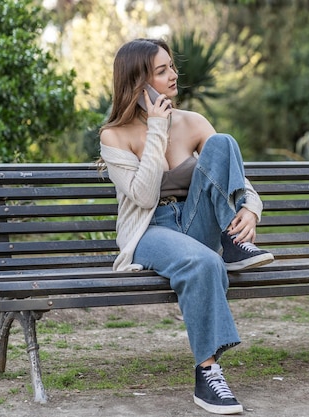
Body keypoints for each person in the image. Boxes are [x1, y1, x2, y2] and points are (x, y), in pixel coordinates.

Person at [99, 38, 274, 415]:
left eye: (171, 67)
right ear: (138, 82)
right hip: (150, 229)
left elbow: (233, 176)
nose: (174, 75)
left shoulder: (194, 122)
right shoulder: (114, 136)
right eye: (161, 71)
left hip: (197, 221)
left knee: (224, 143)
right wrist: (157, 129)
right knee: (202, 263)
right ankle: (208, 373)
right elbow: (144, 198)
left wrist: (250, 210)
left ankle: (234, 242)